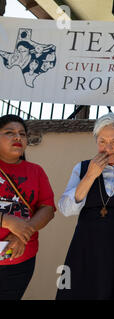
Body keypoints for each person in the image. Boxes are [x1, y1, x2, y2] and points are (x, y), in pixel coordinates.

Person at [56, 113, 114, 300]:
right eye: (102, 142)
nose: (107, 148)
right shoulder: (81, 168)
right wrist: (90, 175)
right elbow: (65, 209)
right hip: (86, 252)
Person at [0, 114, 55, 300]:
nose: (18, 137)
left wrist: (22, 233)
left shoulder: (36, 171)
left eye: (22, 134)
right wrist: (6, 220)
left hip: (20, 259)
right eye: (9, 133)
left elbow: (47, 209)